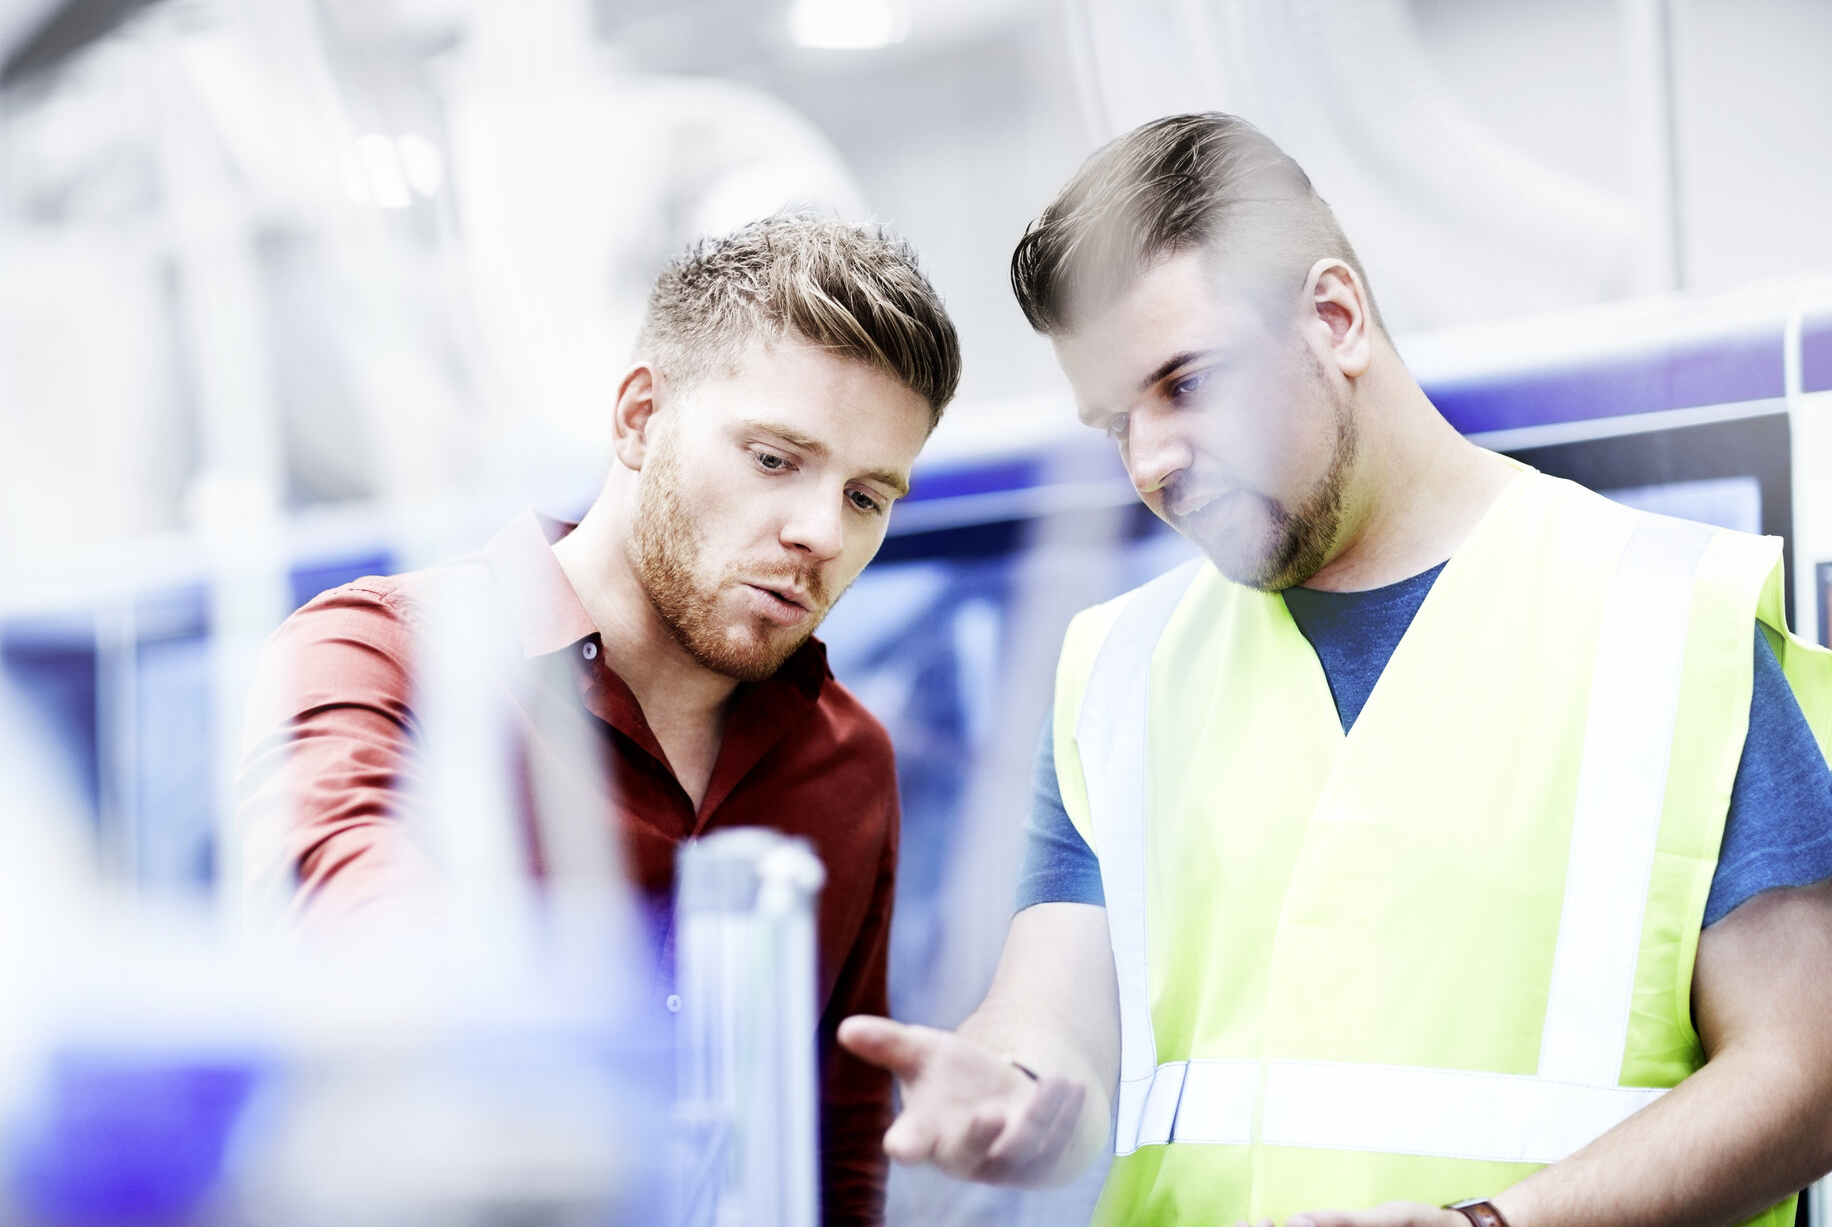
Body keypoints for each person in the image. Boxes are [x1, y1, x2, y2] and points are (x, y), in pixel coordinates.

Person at [838, 114, 1832, 1227]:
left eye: (1188, 382)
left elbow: (1806, 1068)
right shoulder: (1118, 669)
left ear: (1334, 317)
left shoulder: (1669, 622)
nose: (1153, 461)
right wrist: (1011, 1094)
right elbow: (1054, 1021)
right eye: (1117, 420)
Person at [237, 213, 961, 1226]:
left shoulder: (849, 762)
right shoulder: (379, 653)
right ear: (638, 416)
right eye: (773, 459)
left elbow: (836, 1158)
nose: (818, 533)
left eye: (867, 496)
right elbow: (349, 918)